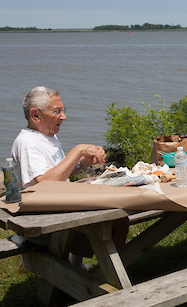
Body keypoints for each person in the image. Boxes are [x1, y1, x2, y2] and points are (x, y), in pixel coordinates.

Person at [10, 86, 127, 269]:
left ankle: (79, 268)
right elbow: (46, 184)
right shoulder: (27, 143)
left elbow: (58, 174)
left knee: (118, 211)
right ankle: (102, 273)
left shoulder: (48, 136)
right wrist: (78, 149)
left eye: (63, 110)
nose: (64, 117)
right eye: (57, 111)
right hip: (46, 221)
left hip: (60, 208)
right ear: (36, 115)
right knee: (117, 221)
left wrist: (82, 165)